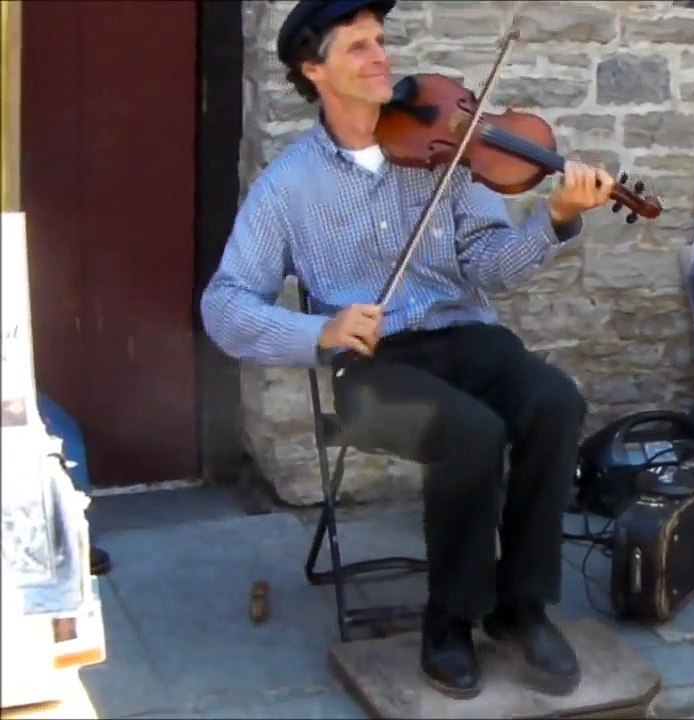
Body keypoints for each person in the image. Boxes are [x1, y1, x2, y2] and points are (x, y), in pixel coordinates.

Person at [200, 0, 616, 700]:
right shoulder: (286, 187)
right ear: (314, 69)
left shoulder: (446, 153)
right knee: (471, 435)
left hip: (465, 336)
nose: (380, 56)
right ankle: (449, 623)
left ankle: (521, 609)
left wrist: (554, 219)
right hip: (373, 372)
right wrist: (319, 333)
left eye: (381, 40)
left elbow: (488, 269)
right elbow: (224, 305)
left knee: (554, 403)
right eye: (358, 46)